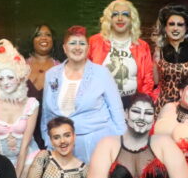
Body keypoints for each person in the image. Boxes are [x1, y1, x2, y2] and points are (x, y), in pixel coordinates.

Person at [41, 26, 126, 165]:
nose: (77, 47)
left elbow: (116, 110)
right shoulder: (51, 74)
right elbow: (46, 113)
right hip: (60, 145)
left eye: (82, 43)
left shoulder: (102, 73)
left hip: (96, 143)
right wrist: (48, 140)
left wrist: (121, 142)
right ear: (64, 48)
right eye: (72, 43)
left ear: (88, 48)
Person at [0, 39, 40, 178]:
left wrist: (16, 176)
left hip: (27, 158)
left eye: (10, 77)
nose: (5, 82)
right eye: (1, 78)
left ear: (19, 77)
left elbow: (25, 146)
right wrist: (6, 176)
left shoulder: (31, 104)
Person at [88, 0, 154, 101]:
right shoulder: (94, 42)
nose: (120, 18)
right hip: (101, 102)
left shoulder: (142, 46)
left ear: (132, 19)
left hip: (132, 102)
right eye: (115, 14)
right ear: (109, 19)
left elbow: (147, 79)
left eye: (125, 14)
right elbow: (84, 73)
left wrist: (142, 102)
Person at [152, 4, 188, 114]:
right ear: (165, 27)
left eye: (180, 25)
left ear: (186, 28)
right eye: (171, 24)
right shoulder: (158, 51)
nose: (175, 28)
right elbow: (155, 81)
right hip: (163, 107)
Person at [26, 24, 61, 149]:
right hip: (24, 130)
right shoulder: (20, 66)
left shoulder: (61, 68)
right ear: (32, 39)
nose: (44, 38)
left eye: (48, 35)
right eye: (38, 35)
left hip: (51, 130)